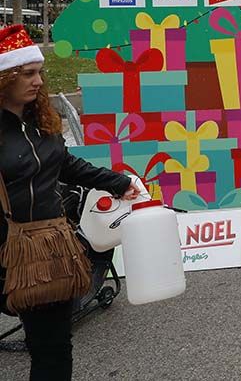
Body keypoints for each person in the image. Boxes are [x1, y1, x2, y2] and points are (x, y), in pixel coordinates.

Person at [0, 25, 141, 379]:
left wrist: (119, 183)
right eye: (27, 74)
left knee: (53, 350)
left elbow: (65, 165)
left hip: (46, 250)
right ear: (4, 78)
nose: (38, 81)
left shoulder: (39, 121)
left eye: (39, 73)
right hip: (5, 249)